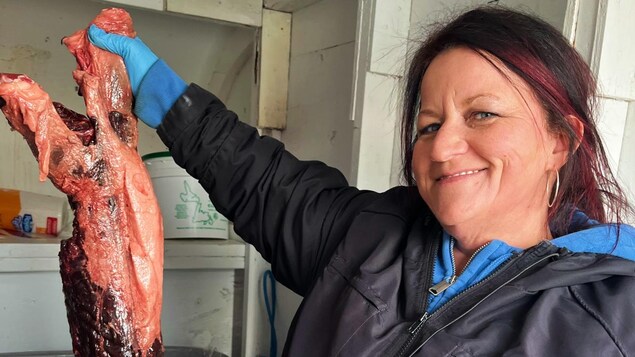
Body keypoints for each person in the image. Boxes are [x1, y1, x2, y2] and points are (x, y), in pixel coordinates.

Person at [87, 6, 635, 356]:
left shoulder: (613, 319)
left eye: (482, 115)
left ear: (560, 141)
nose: (442, 148)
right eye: (428, 124)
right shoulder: (372, 233)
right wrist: (156, 90)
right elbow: (258, 177)